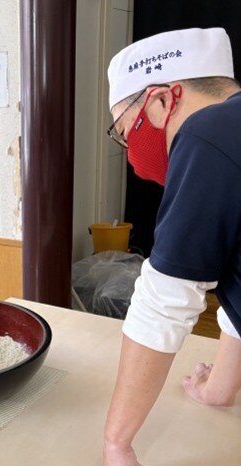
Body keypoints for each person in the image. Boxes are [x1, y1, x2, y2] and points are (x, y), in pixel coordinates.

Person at [103, 28, 241, 465]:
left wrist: (117, 444)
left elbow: (165, 301)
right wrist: (218, 388)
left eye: (125, 131)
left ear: (162, 101)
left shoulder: (205, 134)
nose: (131, 151)